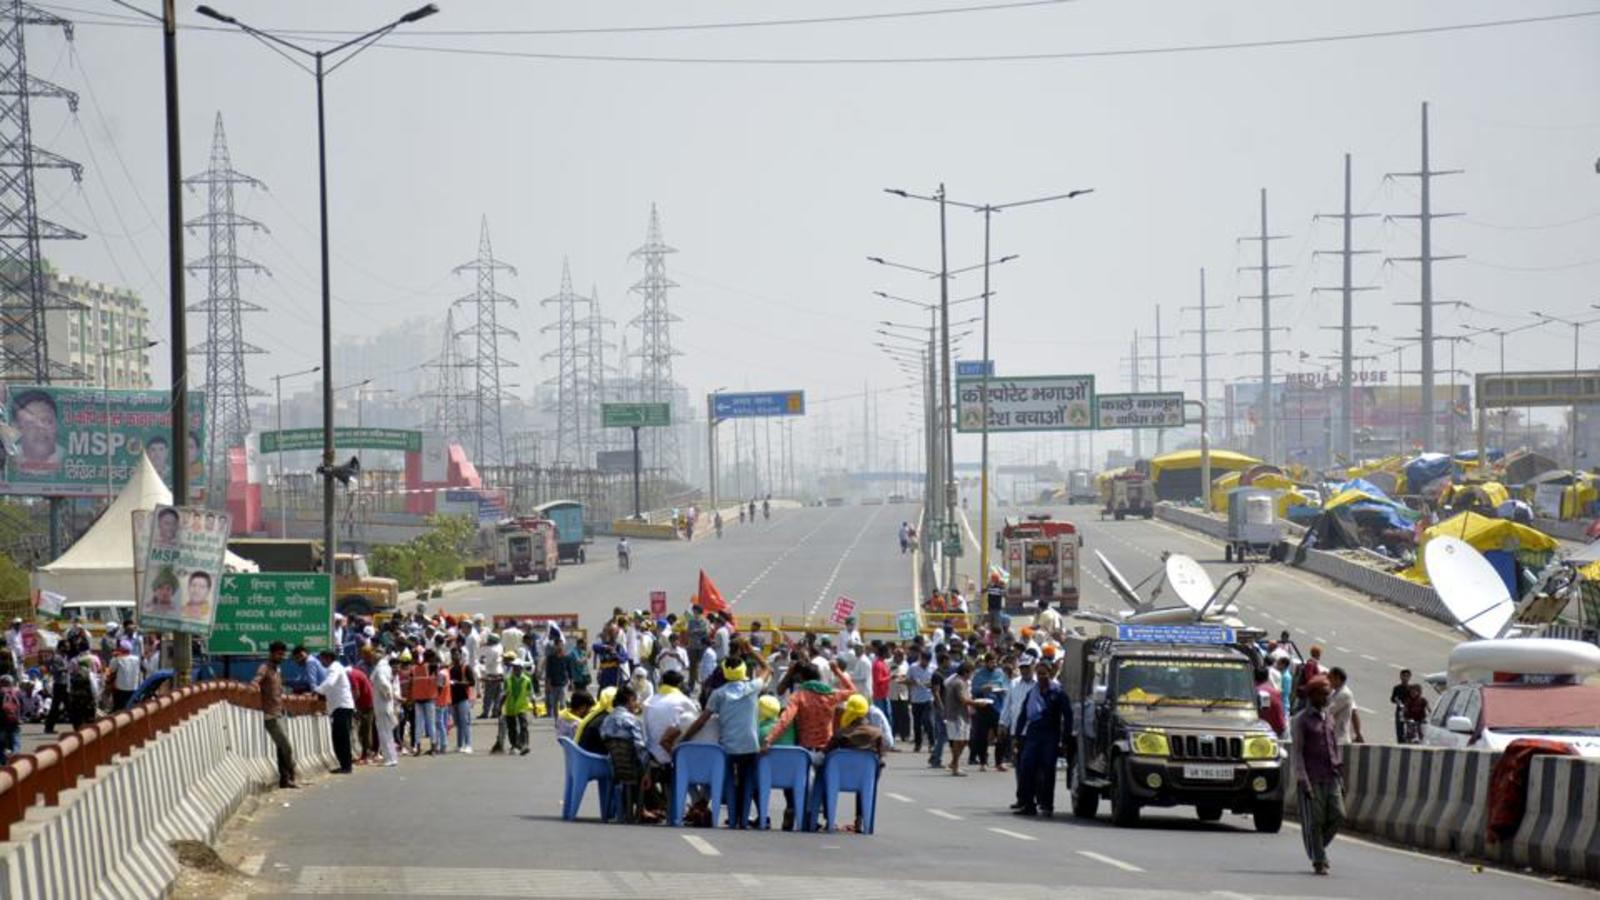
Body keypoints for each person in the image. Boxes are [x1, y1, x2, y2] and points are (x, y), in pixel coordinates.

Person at [680, 658, 763, 829]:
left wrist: (684, 739)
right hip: (751, 745)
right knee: (748, 782)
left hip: (728, 747)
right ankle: (744, 820)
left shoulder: (718, 693)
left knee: (730, 782)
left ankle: (732, 819)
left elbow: (702, 720)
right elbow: (767, 668)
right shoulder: (753, 687)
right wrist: (749, 652)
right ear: (743, 671)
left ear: (725, 673)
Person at [1291, 676, 1344, 875]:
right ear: (1313, 695)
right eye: (1323, 693)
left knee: (1339, 814)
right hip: (1311, 777)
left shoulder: (1329, 717)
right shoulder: (1300, 720)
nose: (1327, 697)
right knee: (1315, 820)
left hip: (1332, 776)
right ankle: (1319, 860)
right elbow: (1297, 752)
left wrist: (1340, 773)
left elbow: (1334, 745)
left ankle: (1318, 846)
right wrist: (1302, 779)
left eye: (1328, 693)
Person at [1013, 656, 1070, 817]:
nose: (1041, 677)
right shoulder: (1032, 693)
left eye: (1044, 674)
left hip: (1050, 736)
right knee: (1026, 768)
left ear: (1050, 674)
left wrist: (1065, 739)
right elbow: (1023, 715)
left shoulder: (1058, 693)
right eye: (1039, 674)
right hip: (1032, 736)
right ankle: (1028, 804)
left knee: (1047, 771)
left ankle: (1047, 805)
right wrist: (1017, 737)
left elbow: (1068, 716)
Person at [252, 642, 297, 788]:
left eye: (283, 654)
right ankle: (291, 775)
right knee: (286, 746)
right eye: (279, 654)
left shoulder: (278, 669)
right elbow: (256, 680)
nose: (281, 656)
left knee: (281, 748)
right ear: (271, 653)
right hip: (270, 715)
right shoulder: (264, 668)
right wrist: (253, 685)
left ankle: (285, 780)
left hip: (279, 712)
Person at [600, 685, 648, 822]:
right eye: (635, 701)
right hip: (633, 769)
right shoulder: (633, 720)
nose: (636, 704)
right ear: (629, 700)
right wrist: (647, 770)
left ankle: (637, 810)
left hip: (614, 767)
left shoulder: (606, 720)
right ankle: (651, 808)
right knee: (658, 770)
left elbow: (604, 739)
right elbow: (640, 747)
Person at [314, 649, 355, 774]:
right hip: (339, 706)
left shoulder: (334, 668)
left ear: (327, 658)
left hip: (341, 706)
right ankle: (344, 764)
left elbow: (330, 683)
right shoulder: (334, 668)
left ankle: (346, 766)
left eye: (321, 659)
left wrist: (317, 690)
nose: (321, 662)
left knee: (341, 738)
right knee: (339, 737)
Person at [11, 389, 60, 472]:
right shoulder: (9, 460)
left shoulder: (67, 456)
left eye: (46, 421)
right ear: (17, 428)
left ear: (56, 425)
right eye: (30, 423)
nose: (40, 428)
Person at [942, 662, 976, 776]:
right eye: (971, 672)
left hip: (963, 715)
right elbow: (963, 699)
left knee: (965, 740)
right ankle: (955, 766)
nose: (972, 675)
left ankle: (953, 762)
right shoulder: (958, 683)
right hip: (956, 715)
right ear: (966, 672)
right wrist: (978, 703)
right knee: (958, 741)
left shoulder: (962, 682)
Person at [371, 649, 400, 767]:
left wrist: (386, 693)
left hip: (382, 704)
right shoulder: (385, 667)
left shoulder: (380, 669)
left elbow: (384, 683)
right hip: (384, 704)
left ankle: (389, 758)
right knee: (387, 733)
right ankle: (392, 757)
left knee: (384, 733)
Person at [502, 656, 533, 755]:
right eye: (514, 667)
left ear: (521, 668)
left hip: (522, 707)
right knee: (512, 728)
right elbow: (504, 694)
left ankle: (525, 745)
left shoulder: (527, 680)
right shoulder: (508, 680)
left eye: (518, 667)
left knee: (524, 725)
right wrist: (499, 707)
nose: (516, 669)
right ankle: (514, 745)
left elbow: (531, 694)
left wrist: (535, 707)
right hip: (510, 707)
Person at [447, 648, 476, 753]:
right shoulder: (449, 669)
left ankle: (468, 744)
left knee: (465, 722)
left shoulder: (466, 667)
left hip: (464, 698)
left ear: (460, 655)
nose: (455, 656)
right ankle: (459, 745)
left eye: (457, 654)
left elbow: (472, 682)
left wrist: (458, 683)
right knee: (458, 723)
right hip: (453, 699)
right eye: (453, 654)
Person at [348, 655, 376, 763]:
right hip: (366, 703)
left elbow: (356, 693)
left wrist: (353, 705)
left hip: (367, 704)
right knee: (364, 730)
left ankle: (366, 755)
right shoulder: (355, 673)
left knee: (365, 730)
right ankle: (366, 754)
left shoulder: (352, 675)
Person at [1326, 667, 1364, 745]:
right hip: (1333, 736)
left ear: (1338, 679)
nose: (1328, 680)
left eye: (1330, 677)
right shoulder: (1334, 692)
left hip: (1339, 738)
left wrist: (1358, 733)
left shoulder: (1344, 694)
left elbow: (1328, 711)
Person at [907, 650, 935, 753]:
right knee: (917, 723)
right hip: (916, 699)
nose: (925, 662)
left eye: (927, 660)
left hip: (928, 698)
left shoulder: (933, 668)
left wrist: (930, 684)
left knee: (928, 721)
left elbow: (936, 683)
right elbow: (907, 680)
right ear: (920, 658)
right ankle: (918, 744)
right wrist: (913, 682)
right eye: (923, 659)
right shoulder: (913, 667)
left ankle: (932, 743)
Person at [108, 641, 142, 711]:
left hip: (121, 689)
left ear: (122, 649)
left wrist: (114, 656)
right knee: (131, 708)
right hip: (134, 688)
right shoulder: (137, 659)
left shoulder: (118, 659)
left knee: (119, 708)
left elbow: (111, 669)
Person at [1255, 666, 1287, 738]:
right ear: (1267, 677)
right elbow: (1279, 712)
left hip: (1257, 731)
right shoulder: (1275, 692)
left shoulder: (1251, 692)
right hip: (1274, 730)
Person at [0, 675, 22, 763]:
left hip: (1, 722)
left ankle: (4, 760)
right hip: (14, 721)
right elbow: (21, 706)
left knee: (1, 743)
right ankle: (15, 758)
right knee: (16, 741)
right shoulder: (16, 693)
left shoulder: (0, 693)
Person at [1389, 669, 1414, 743]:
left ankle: (1409, 742)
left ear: (1410, 677)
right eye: (1403, 676)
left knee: (1410, 728)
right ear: (1400, 677)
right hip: (1400, 711)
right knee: (1399, 729)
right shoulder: (1397, 688)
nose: (1405, 678)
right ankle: (1400, 743)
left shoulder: (1412, 688)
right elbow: (1392, 699)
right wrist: (1396, 700)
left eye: (1407, 676)